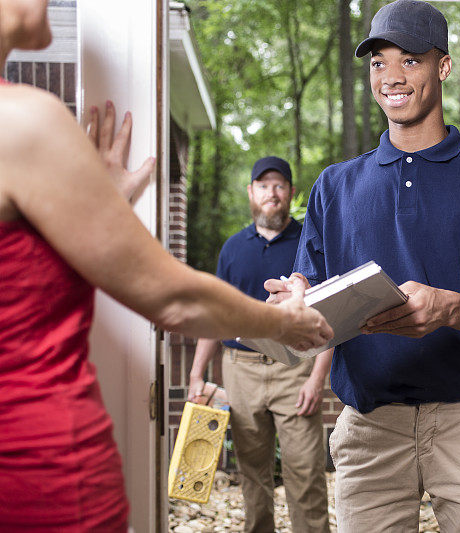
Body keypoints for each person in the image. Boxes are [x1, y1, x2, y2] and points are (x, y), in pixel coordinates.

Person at [0, 1, 332, 531]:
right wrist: (286, 323)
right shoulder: (21, 119)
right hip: (40, 473)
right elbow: (175, 299)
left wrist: (96, 207)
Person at [266, 1, 460, 531]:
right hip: (370, 430)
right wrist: (294, 298)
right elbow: (310, 285)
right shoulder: (333, 186)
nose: (392, 77)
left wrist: (449, 307)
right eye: (378, 62)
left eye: (410, 60)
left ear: (443, 67)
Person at [188, 157, 332, 533]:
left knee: (306, 473)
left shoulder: (309, 243)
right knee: (252, 475)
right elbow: (215, 317)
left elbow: (329, 313)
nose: (272, 192)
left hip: (295, 368)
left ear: (290, 193)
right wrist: (195, 375)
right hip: (241, 372)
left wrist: (317, 378)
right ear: (251, 192)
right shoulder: (233, 249)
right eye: (264, 185)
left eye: (280, 185)